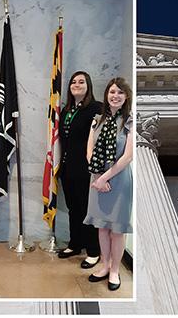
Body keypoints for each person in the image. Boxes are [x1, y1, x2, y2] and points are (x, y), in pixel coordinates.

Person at [84, 77, 133, 291]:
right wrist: (98, 177)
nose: (115, 96)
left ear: (126, 97)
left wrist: (104, 178)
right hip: (96, 177)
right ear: (106, 95)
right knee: (102, 228)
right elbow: (89, 152)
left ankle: (115, 271)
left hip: (119, 179)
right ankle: (104, 266)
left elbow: (128, 156)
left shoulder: (130, 120)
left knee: (116, 230)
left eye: (120, 93)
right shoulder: (97, 120)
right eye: (112, 92)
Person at [57, 71, 103, 269]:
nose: (77, 85)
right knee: (73, 208)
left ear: (88, 85)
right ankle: (75, 243)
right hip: (67, 168)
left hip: (87, 170)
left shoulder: (97, 108)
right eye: (73, 82)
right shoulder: (65, 110)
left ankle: (93, 250)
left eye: (81, 82)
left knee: (88, 209)